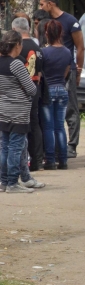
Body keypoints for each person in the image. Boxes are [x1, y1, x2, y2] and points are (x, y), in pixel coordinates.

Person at [39, 0, 83, 158]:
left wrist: (77, 71)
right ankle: (57, 149)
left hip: (67, 70)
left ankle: (71, 145)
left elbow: (80, 47)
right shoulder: (46, 22)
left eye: (42, 4)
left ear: (51, 4)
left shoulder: (70, 21)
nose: (40, 7)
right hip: (49, 72)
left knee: (70, 108)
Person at [0, 31, 38, 193]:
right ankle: (13, 183)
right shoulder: (15, 64)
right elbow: (32, 89)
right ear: (17, 45)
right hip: (18, 112)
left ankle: (3, 181)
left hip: (3, 110)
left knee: (4, 147)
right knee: (16, 148)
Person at [11, 18, 44, 175]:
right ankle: (37, 160)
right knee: (35, 124)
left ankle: (28, 161)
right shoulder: (38, 47)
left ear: (16, 30)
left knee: (24, 127)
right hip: (36, 87)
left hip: (23, 90)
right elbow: (39, 72)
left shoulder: (20, 48)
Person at [40, 20, 72, 170]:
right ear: (61, 33)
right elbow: (66, 72)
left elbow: (41, 74)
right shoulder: (67, 52)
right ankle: (63, 160)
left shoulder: (44, 52)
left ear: (47, 34)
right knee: (60, 126)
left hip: (48, 91)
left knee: (48, 127)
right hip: (61, 89)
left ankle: (50, 159)